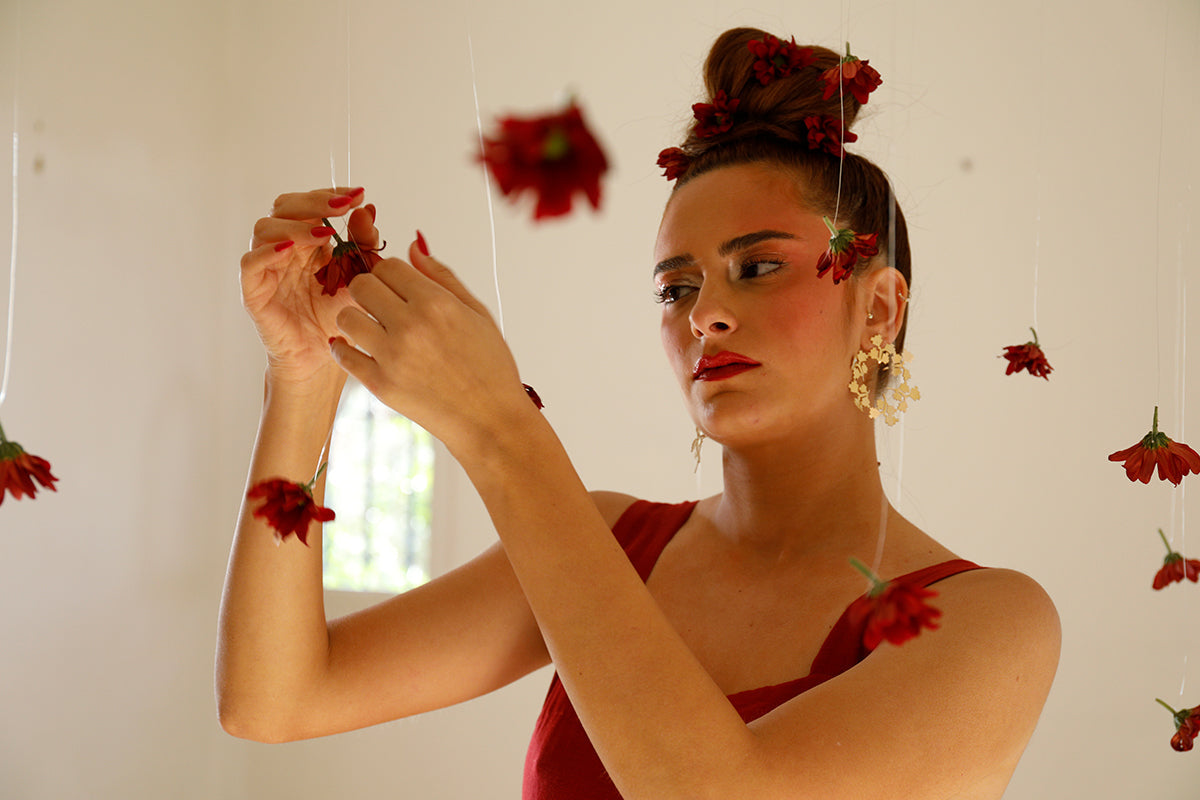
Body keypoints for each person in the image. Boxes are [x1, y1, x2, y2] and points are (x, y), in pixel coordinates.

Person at [217, 27, 1060, 800]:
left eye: (758, 268)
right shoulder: (609, 543)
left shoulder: (991, 623)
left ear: (877, 309)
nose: (704, 316)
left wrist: (500, 430)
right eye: (676, 288)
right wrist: (303, 376)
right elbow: (274, 700)